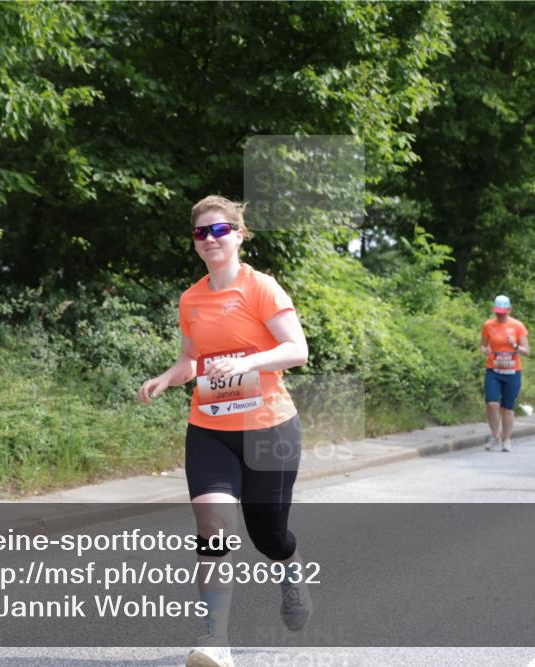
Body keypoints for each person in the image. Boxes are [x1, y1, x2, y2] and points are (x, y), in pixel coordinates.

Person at [139, 196, 311, 667]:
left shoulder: (261, 288)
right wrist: (167, 377)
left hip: (268, 429)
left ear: (238, 234)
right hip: (209, 429)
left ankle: (289, 569)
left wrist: (248, 362)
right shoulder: (191, 298)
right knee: (213, 527)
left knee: (268, 535)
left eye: (219, 230)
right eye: (201, 232)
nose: (210, 239)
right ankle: (215, 640)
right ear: (195, 242)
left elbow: (297, 349)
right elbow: (190, 359)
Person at [480, 295, 530, 452]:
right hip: (493, 370)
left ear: (509, 310)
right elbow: (483, 346)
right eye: (497, 312)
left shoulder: (517, 326)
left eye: (503, 312)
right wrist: (485, 350)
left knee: (507, 408)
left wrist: (514, 345)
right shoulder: (488, 325)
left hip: (512, 371)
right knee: (492, 404)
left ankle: (506, 440)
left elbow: (527, 351)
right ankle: (495, 435)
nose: (500, 315)